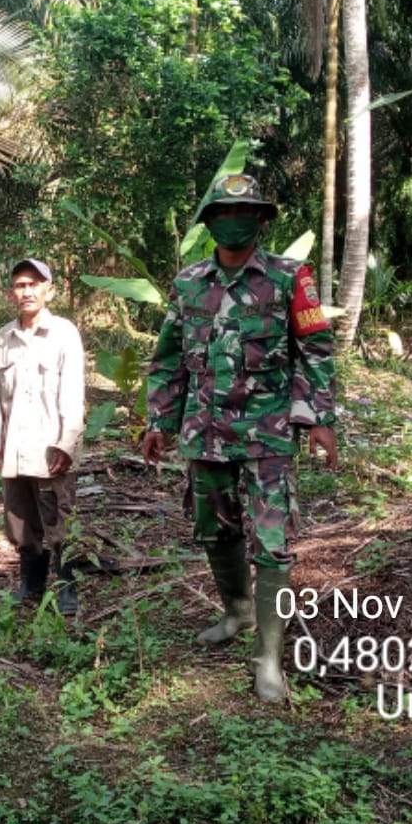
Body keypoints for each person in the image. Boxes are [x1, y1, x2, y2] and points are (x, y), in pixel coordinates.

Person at [140, 174, 338, 702]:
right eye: (223, 210)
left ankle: (269, 660)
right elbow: (168, 360)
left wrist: (318, 419)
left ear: (261, 218)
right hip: (204, 434)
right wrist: (159, 421)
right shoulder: (188, 284)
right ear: (209, 221)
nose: (234, 218)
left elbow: (315, 352)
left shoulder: (291, 278)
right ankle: (237, 610)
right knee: (214, 530)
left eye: (244, 210)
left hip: (268, 435)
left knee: (272, 547)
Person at [0, 258, 86, 615]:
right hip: (15, 447)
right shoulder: (5, 337)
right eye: (19, 285)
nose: (26, 291)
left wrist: (66, 443)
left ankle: (67, 587)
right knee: (20, 520)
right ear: (12, 293)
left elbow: (73, 394)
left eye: (33, 284)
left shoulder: (63, 333)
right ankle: (31, 584)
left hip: (50, 448)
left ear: (49, 290)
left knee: (57, 519)